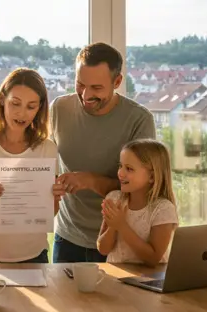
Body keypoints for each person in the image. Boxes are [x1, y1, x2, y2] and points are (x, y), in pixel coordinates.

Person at [51, 42, 157, 263]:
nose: (86, 95)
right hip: (67, 237)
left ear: (117, 82)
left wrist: (90, 180)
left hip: (119, 239)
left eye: (97, 88)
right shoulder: (59, 109)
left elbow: (143, 187)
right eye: (80, 84)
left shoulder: (139, 120)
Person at [0, 67, 65, 263]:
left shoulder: (47, 149)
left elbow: (52, 212)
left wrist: (55, 198)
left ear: (40, 108)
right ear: (2, 100)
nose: (21, 113)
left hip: (33, 256)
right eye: (15, 103)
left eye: (31, 106)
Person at [96, 139, 178, 266]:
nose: (120, 173)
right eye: (120, 166)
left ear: (152, 177)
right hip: (115, 278)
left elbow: (153, 258)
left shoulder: (163, 209)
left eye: (129, 169)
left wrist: (122, 226)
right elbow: (103, 249)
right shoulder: (114, 199)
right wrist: (113, 226)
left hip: (148, 281)